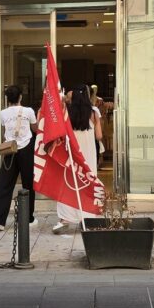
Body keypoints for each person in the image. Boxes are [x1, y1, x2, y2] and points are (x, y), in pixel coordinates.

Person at [53, 84, 103, 234]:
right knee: (88, 183)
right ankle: (87, 217)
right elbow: (99, 136)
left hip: (72, 154)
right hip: (88, 154)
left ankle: (64, 219)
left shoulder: (66, 113)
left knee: (68, 184)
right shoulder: (94, 112)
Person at [0, 85, 38, 231]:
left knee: (4, 183)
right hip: (26, 148)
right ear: (20, 96)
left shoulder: (2, 113)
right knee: (28, 184)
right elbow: (35, 129)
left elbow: (4, 131)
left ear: (8, 99)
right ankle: (28, 218)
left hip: (10, 149)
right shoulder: (29, 111)